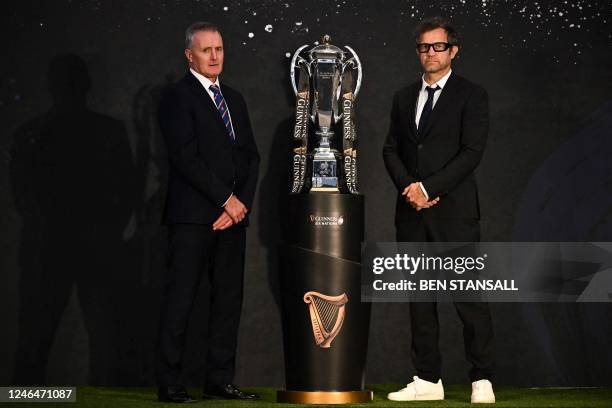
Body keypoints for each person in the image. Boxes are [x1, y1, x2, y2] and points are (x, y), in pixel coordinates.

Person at [383, 16, 495, 404]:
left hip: (455, 212)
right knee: (419, 299)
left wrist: (429, 187)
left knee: (467, 296)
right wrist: (409, 189)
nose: (430, 53)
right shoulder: (402, 96)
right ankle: (427, 379)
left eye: (438, 46)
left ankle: (482, 379)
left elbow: (472, 152)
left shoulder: (472, 95)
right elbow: (391, 149)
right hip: (411, 213)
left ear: (453, 50)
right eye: (424, 47)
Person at [156, 21, 260, 403]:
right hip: (192, 218)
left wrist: (240, 205)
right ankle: (170, 383)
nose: (215, 56)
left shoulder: (233, 97)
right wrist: (225, 200)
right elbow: (185, 157)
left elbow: (251, 156)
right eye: (206, 50)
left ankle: (220, 379)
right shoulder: (176, 96)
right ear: (189, 55)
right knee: (181, 300)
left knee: (228, 302)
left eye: (219, 49)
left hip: (233, 219)